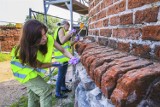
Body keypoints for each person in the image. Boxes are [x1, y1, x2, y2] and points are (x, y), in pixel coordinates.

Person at [10, 19, 79, 107]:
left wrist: (72, 57)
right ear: (32, 38)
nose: (45, 38)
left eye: (45, 34)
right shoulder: (24, 50)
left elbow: (62, 49)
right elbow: (40, 65)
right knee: (45, 90)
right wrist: (54, 64)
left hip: (32, 68)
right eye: (40, 36)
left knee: (33, 95)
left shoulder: (48, 38)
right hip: (23, 71)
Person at [53, 20, 79, 99]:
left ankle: (63, 88)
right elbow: (62, 40)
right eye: (68, 25)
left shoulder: (64, 32)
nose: (69, 28)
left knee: (63, 74)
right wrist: (70, 33)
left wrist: (75, 41)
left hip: (64, 56)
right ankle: (57, 93)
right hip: (61, 56)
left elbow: (68, 44)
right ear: (65, 24)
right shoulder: (61, 29)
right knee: (61, 75)